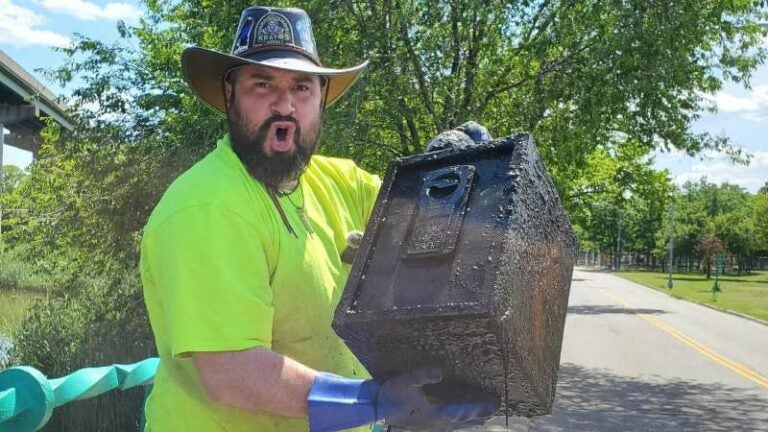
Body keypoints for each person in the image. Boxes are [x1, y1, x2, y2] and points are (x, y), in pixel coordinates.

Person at [140, 6, 497, 432]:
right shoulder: (207, 207)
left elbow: (421, 221)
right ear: (230, 95)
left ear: (321, 99)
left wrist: (454, 170)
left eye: (302, 87)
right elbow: (230, 371)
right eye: (262, 84)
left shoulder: (337, 179)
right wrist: (373, 401)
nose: (284, 105)